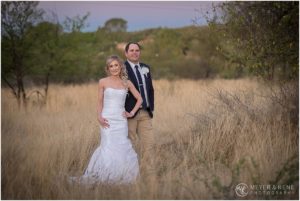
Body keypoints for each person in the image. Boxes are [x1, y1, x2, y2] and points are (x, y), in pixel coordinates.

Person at [71, 55, 143, 184]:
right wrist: (99, 116)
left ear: (120, 66)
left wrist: (131, 113)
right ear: (108, 68)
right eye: (111, 66)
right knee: (108, 145)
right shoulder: (103, 81)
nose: (114, 68)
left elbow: (140, 99)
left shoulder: (126, 82)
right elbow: (99, 101)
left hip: (121, 122)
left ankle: (120, 174)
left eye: (116, 65)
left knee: (122, 146)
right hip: (107, 119)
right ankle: (106, 174)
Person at [124, 42, 155, 178]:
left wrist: (150, 106)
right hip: (130, 113)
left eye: (137, 50)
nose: (135, 53)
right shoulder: (121, 69)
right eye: (131, 50)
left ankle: (148, 173)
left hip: (145, 113)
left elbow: (150, 89)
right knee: (129, 144)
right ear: (126, 53)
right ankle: (130, 173)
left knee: (149, 144)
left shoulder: (145, 67)